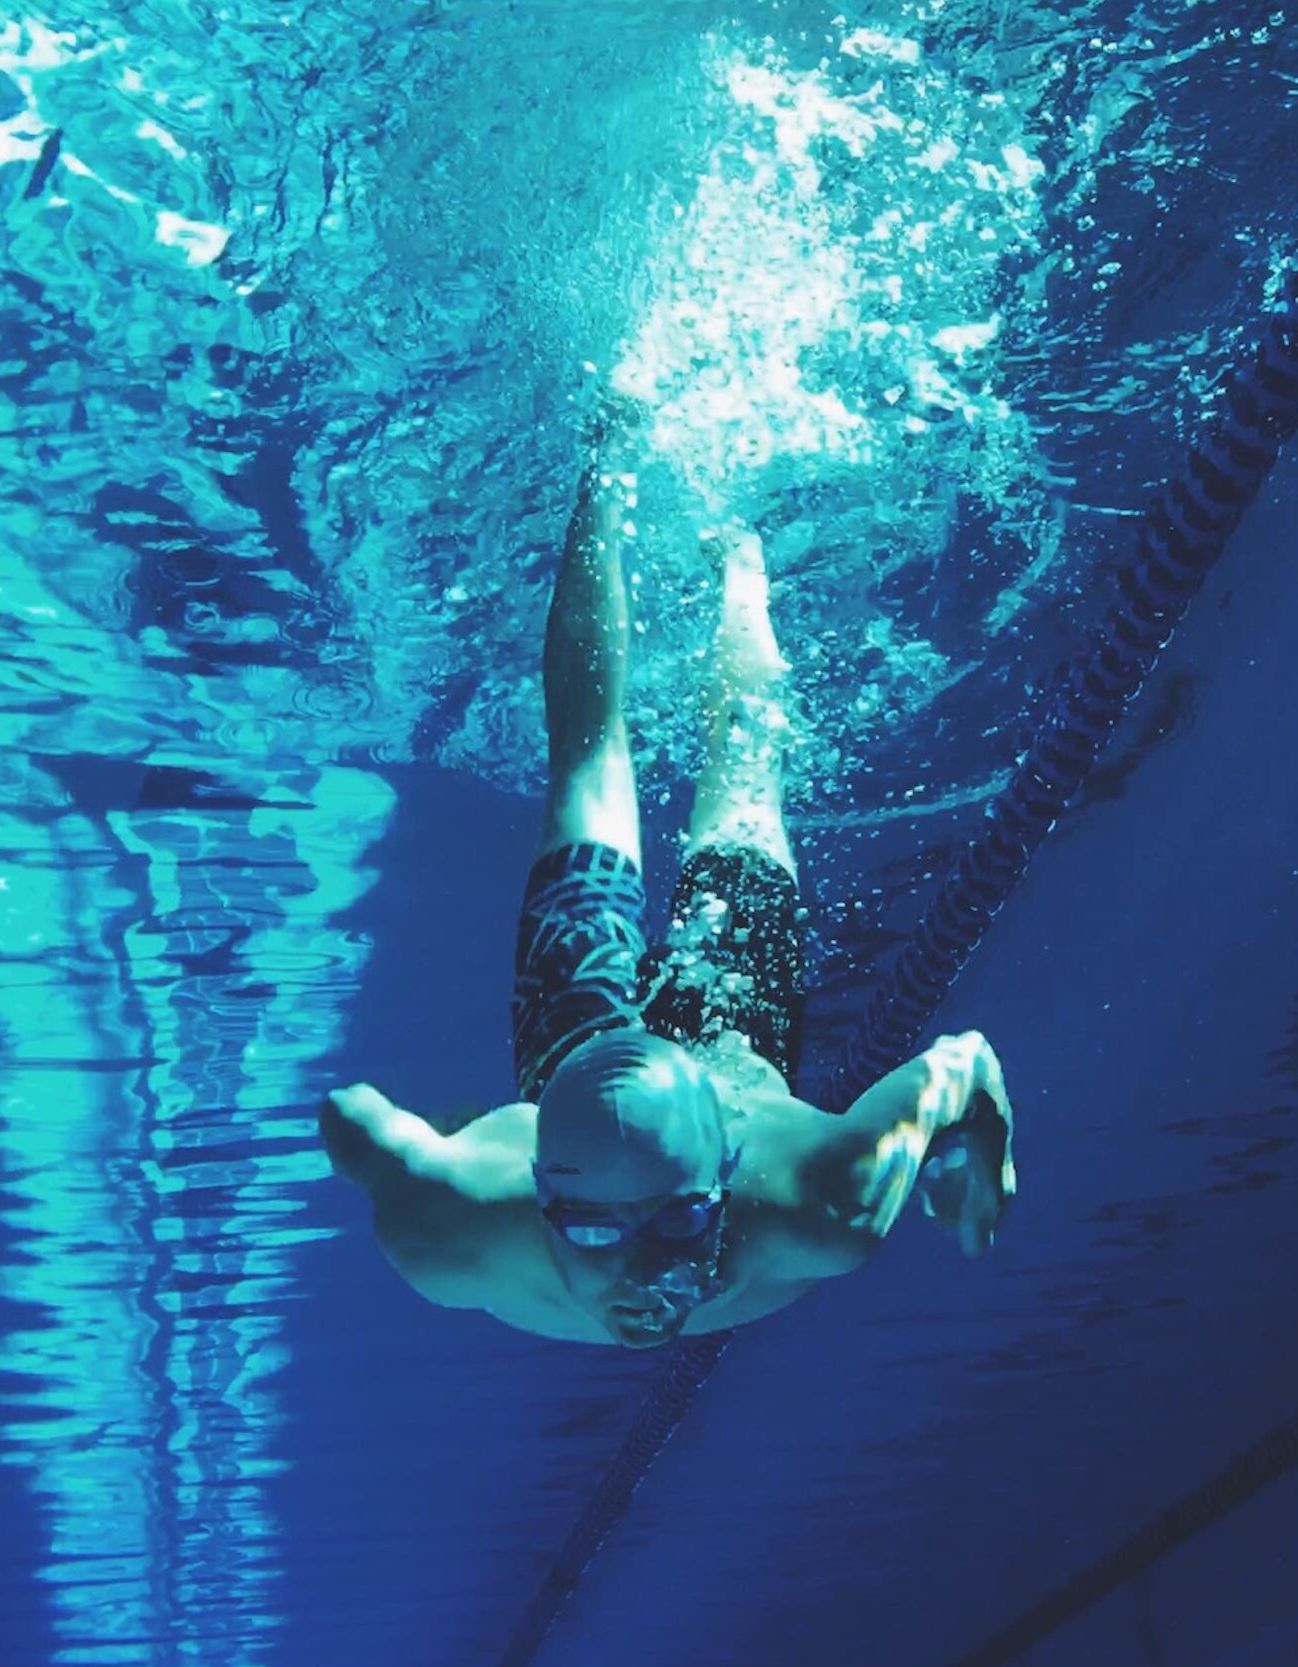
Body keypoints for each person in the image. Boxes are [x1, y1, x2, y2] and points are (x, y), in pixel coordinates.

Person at [319, 406, 1016, 1350]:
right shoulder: (463, 1223)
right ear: (541, 1195)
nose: (642, 1270)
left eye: (682, 1221)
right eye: (598, 1230)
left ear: (729, 1175)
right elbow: (353, 1121)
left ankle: (730, 533)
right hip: (663, 1037)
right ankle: (641, 478)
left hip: (616, 1042)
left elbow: (964, 1065)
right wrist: (978, 1141)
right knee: (721, 768)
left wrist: (985, 1141)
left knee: (610, 763)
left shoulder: (816, 1197)